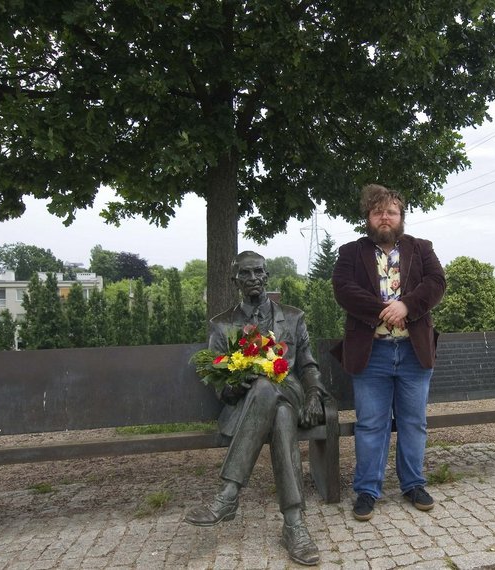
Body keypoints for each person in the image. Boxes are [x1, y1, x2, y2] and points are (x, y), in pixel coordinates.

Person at [184, 251, 327, 566]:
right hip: (250, 406)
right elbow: (218, 380)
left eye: (258, 272)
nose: (253, 279)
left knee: (267, 388)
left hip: (289, 390)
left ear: (266, 275)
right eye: (245, 273)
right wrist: (232, 387)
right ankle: (294, 524)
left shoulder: (293, 317)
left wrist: (314, 394)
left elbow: (308, 365)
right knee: (280, 415)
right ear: (234, 280)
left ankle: (228, 494)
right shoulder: (222, 325)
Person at [331, 183, 446, 521]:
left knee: (414, 423)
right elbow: (344, 290)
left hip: (414, 352)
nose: (385, 217)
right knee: (370, 425)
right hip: (371, 354)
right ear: (368, 217)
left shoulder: (422, 249)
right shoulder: (350, 253)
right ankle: (367, 490)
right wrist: (385, 310)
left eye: (391, 212)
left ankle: (413, 484)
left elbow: (436, 283)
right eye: (378, 212)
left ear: (401, 217)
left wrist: (406, 305)